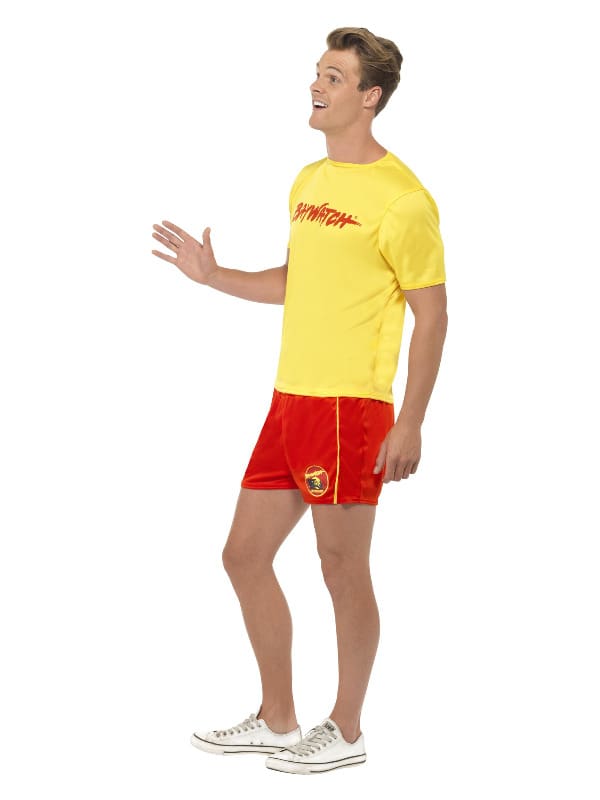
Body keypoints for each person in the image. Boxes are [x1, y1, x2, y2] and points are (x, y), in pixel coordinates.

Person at [151, 26, 447, 775]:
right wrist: (214, 276)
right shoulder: (309, 182)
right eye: (317, 72)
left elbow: (434, 315)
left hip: (350, 410)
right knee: (243, 555)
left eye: (334, 77)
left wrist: (411, 421)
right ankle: (279, 717)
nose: (317, 85)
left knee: (341, 567)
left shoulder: (404, 199)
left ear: (370, 97)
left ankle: (345, 729)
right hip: (290, 401)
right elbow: (296, 282)